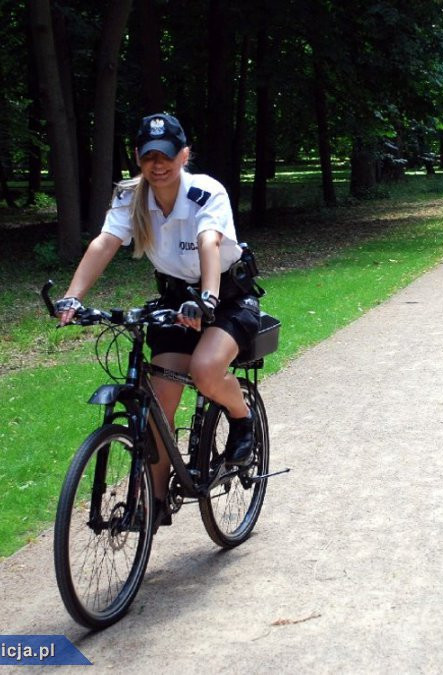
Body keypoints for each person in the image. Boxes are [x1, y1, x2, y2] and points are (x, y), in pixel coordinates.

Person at [54, 113, 262, 529]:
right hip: (174, 301)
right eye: (148, 156)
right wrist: (73, 298)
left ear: (184, 155)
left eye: (166, 155)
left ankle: (243, 420)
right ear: (137, 158)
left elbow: (209, 241)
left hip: (226, 298)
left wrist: (206, 298)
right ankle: (153, 502)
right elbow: (106, 242)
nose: (158, 164)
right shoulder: (131, 197)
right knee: (156, 410)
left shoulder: (206, 192)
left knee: (205, 371)